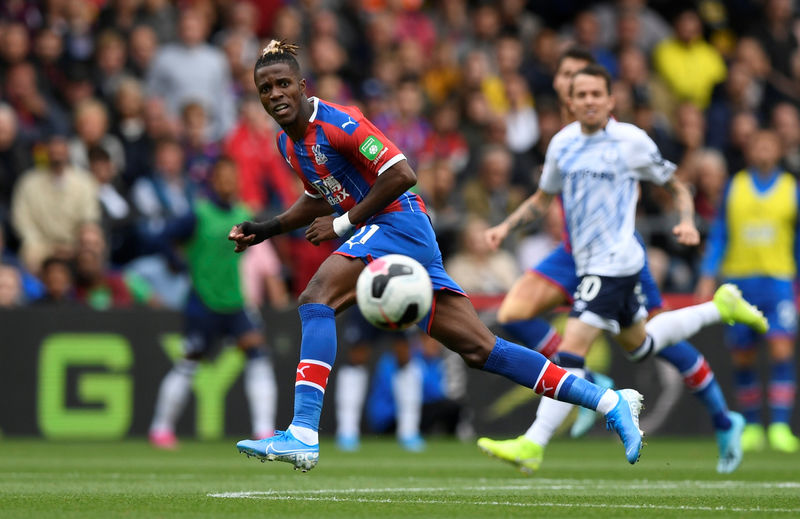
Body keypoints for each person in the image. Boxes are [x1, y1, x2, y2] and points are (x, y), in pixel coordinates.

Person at [231, 40, 645, 472]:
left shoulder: (339, 122)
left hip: (399, 224)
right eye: (265, 89)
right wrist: (268, 228)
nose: (275, 94)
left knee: (316, 298)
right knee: (482, 349)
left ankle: (302, 431)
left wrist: (343, 224)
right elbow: (321, 195)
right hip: (390, 232)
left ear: (301, 85)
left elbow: (401, 173)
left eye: (283, 84)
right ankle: (608, 401)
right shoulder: (288, 143)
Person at [478, 64, 767, 475]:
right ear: (570, 102)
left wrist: (685, 220)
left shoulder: (631, 141)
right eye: (582, 95)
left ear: (611, 100)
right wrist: (505, 226)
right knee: (641, 345)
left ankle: (534, 443)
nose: (590, 101)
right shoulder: (562, 143)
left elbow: (677, 185)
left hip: (614, 263)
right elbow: (543, 200)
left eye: (597, 94)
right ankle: (718, 308)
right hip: (584, 260)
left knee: (570, 352)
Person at [149, 157, 278, 448]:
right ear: (212, 181)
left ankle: (264, 430)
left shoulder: (245, 213)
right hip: (202, 302)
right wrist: (178, 264)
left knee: (257, 354)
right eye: (221, 177)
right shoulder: (199, 214)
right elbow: (161, 239)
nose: (227, 182)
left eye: (232, 177)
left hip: (235, 301)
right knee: (188, 363)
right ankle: (160, 429)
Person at [696, 130, 800, 453]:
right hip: (741, 282)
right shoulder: (735, 186)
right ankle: (752, 425)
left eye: (770, 143)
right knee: (743, 355)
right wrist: (707, 273)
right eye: (759, 144)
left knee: (782, 348)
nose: (764, 149)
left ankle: (780, 426)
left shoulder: (791, 189)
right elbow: (720, 233)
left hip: (778, 280)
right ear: (750, 150)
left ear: (779, 149)